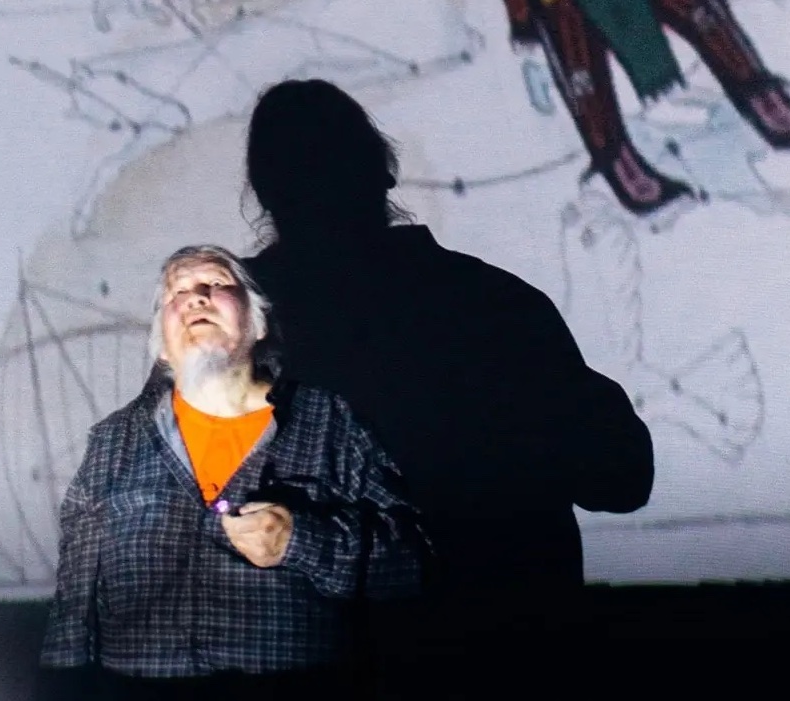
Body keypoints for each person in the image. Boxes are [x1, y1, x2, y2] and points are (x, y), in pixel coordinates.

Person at [239, 77, 655, 658]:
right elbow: (621, 473)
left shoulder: (223, 342)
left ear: (267, 193)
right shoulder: (492, 308)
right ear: (381, 174)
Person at [36, 244, 433, 701]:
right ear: (162, 347)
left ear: (258, 323)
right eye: (176, 292)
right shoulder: (112, 442)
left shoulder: (331, 422)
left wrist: (300, 541)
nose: (196, 297)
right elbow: (72, 611)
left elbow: (413, 563)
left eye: (218, 284)